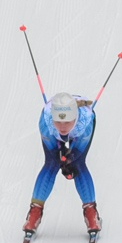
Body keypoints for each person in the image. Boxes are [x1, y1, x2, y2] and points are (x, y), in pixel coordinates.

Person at [22, 92, 101, 234]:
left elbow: (77, 153)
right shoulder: (46, 121)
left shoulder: (85, 121)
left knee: (78, 164)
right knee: (51, 163)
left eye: (67, 122)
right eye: (58, 122)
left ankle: (91, 212)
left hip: (80, 132)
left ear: (75, 118)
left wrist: (70, 160)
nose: (63, 127)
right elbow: (54, 153)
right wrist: (61, 158)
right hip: (51, 132)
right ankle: (34, 213)